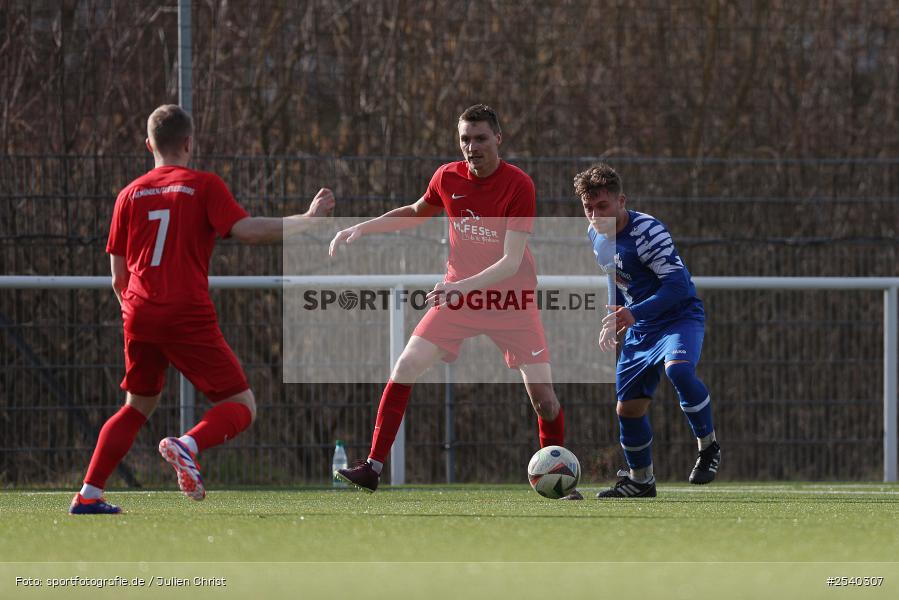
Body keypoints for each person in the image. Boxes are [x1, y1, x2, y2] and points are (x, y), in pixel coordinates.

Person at [69, 104, 335, 514]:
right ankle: (187, 444)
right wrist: (307, 219)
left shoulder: (129, 194)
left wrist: (138, 312)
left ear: (149, 145)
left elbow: (117, 277)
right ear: (189, 143)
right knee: (242, 404)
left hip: (138, 312)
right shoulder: (203, 185)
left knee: (136, 406)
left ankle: (88, 494)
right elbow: (246, 231)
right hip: (185, 310)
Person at [328, 104, 568, 493]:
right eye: (465, 140)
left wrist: (458, 288)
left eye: (480, 139)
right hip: (459, 298)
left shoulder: (519, 185)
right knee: (406, 365)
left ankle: (559, 479)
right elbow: (417, 210)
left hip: (511, 303)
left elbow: (510, 263)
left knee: (544, 401)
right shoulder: (447, 176)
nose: (471, 147)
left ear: (498, 139)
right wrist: (363, 227)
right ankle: (372, 467)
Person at [575, 163, 720, 498]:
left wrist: (632, 312)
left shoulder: (648, 232)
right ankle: (641, 481)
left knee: (679, 371)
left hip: (678, 317)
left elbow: (677, 287)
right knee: (628, 409)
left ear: (621, 201)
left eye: (603, 206)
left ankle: (708, 447)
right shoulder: (594, 236)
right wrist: (613, 317)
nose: (596, 215)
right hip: (641, 326)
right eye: (588, 208)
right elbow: (613, 276)